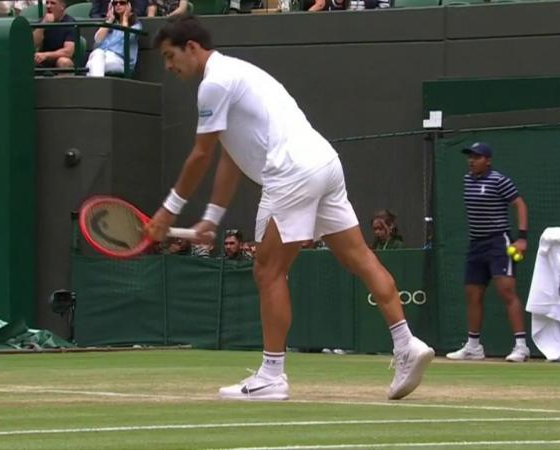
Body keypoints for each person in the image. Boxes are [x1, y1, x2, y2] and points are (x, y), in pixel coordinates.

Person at [148, 15, 434, 401]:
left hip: (291, 171)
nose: (169, 66)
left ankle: (271, 375)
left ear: (193, 48)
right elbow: (229, 159)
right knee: (360, 257)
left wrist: (168, 210)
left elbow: (201, 155)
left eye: (170, 56)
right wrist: (211, 217)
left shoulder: (213, 84)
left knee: (268, 270)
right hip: (323, 162)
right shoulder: (238, 74)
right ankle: (406, 342)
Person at [446, 142, 531, 363]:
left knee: (507, 292)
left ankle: (521, 347)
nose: (471, 160)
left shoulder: (499, 180)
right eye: (470, 157)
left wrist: (522, 238)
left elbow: (520, 204)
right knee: (473, 295)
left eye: (477, 157)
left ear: (488, 160)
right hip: (476, 244)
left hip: (498, 243)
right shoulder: (466, 180)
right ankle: (473, 347)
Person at [86, 0, 141, 77]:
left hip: (121, 61)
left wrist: (125, 18)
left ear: (129, 6)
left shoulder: (135, 25)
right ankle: (98, 87)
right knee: (98, 53)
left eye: (122, 3)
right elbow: (97, 40)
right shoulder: (111, 25)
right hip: (101, 56)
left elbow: (126, 37)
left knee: (91, 65)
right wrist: (110, 20)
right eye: (115, 3)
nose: (118, 5)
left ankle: (95, 86)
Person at [31, 0, 76, 71]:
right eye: (47, 3)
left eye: (52, 3)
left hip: (60, 59)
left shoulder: (70, 23)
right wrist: (43, 25)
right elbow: (33, 45)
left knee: (63, 62)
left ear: (62, 7)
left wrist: (46, 55)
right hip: (42, 60)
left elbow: (68, 52)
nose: (48, 6)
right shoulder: (42, 21)